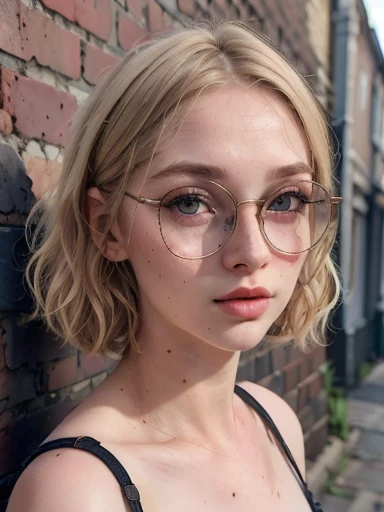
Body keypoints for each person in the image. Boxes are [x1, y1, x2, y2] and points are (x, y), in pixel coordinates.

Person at [6, 20, 340, 512]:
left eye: (286, 199)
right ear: (107, 227)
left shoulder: (277, 422)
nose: (251, 250)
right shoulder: (80, 494)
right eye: (190, 202)